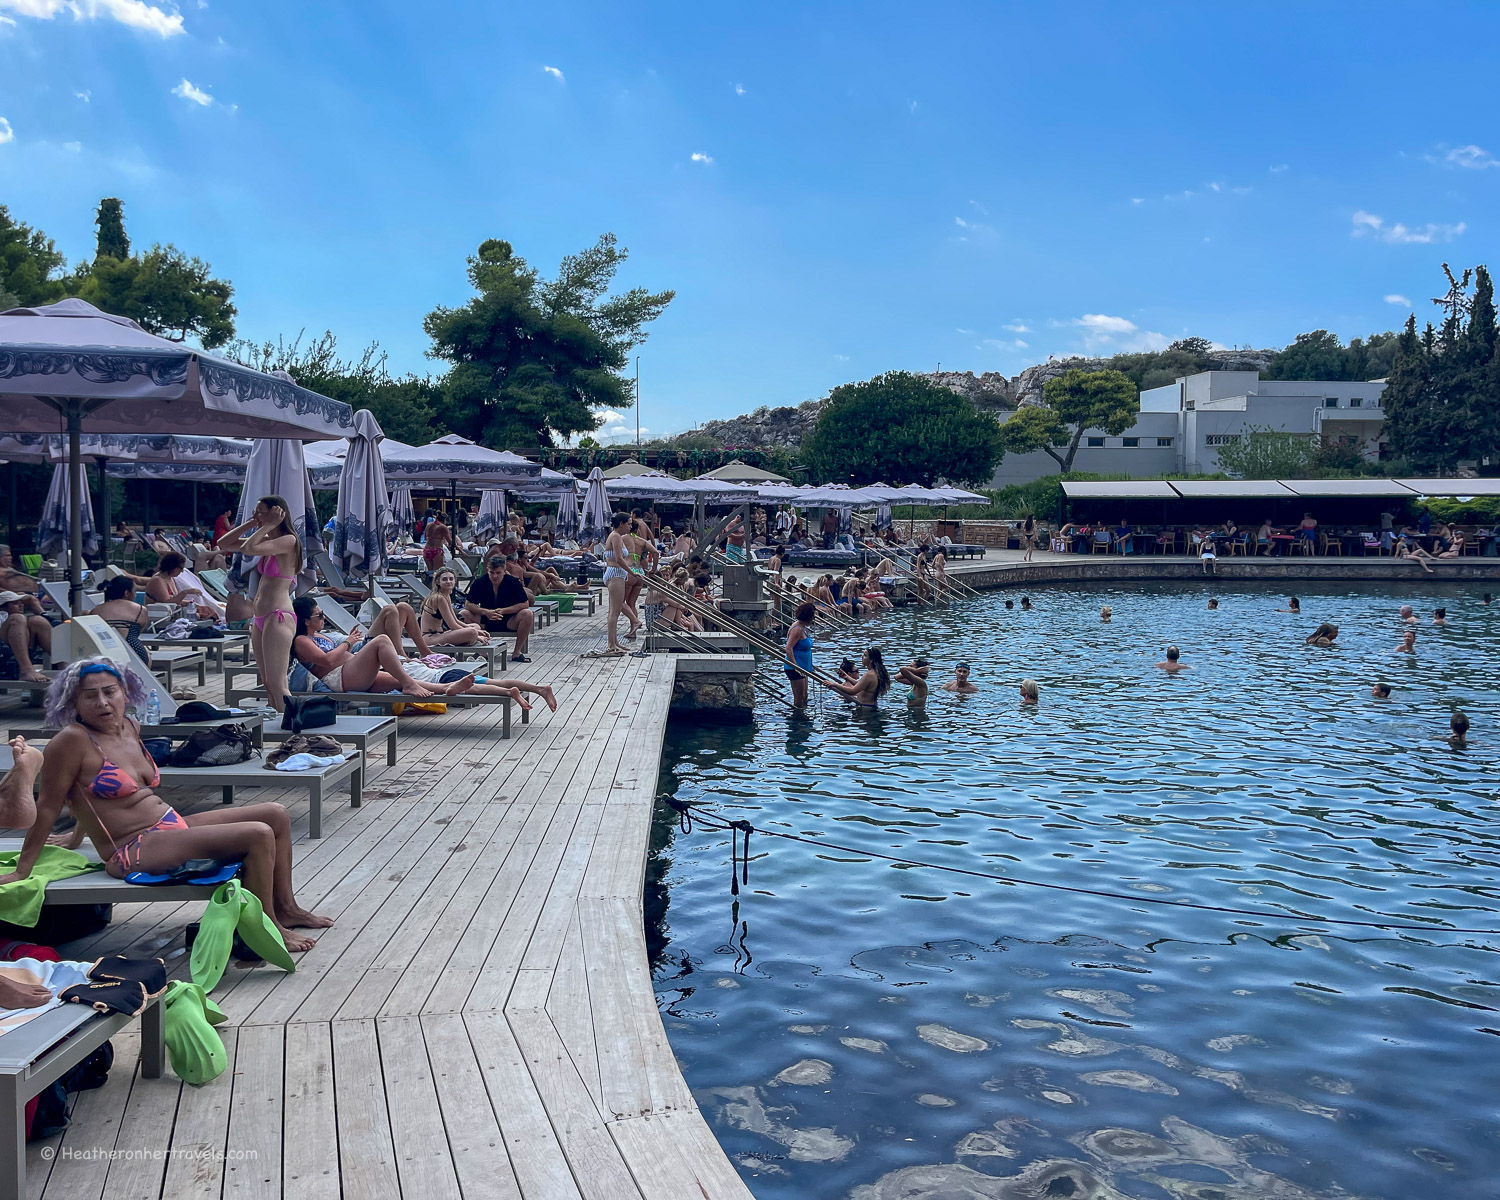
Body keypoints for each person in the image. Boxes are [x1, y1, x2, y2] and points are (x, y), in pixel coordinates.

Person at [0, 660, 330, 952]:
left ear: (125, 693)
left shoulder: (130, 726)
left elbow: (88, 797)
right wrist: (22, 870)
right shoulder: (71, 741)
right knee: (257, 834)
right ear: (74, 701)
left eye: (109, 691)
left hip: (169, 827)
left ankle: (286, 906)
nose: (102, 702)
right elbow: (49, 806)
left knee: (275, 813)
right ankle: (267, 928)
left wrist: (74, 839)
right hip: (133, 849)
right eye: (90, 695)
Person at [290, 598, 474, 698]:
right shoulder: (301, 641)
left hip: (353, 672)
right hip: (339, 678)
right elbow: (327, 660)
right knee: (382, 640)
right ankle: (410, 683)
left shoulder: (320, 635)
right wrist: (349, 642)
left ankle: (447, 688)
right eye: (319, 615)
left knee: (398, 681)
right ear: (306, 621)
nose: (323, 618)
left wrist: (348, 644)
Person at [219, 496, 303, 712]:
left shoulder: (289, 541)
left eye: (261, 511)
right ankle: (278, 731)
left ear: (277, 513)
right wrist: (252, 523)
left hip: (278, 615)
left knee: (278, 684)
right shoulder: (266, 538)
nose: (257, 514)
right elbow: (223, 544)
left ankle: (293, 730)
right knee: (267, 684)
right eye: (255, 511)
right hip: (260, 617)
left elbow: (248, 548)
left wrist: (268, 524)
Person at [464, 554, 535, 663]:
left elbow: (524, 604)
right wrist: (485, 612)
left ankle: (517, 652)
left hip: (508, 620)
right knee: (465, 613)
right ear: (488, 570)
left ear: (504, 571)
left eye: (498, 573)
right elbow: (468, 604)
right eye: (492, 573)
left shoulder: (512, 582)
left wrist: (503, 610)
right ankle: (480, 649)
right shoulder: (480, 582)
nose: (495, 576)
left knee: (528, 614)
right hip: (485, 620)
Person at [598, 513, 639, 655]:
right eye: (628, 523)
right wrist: (632, 572)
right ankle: (611, 644)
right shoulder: (615, 536)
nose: (630, 526)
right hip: (614, 574)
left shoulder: (618, 537)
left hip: (618, 574)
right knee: (614, 612)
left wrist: (626, 573)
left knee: (614, 610)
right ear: (620, 524)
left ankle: (614, 642)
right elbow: (619, 559)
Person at [418, 568, 491, 646]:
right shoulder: (439, 598)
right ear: (437, 582)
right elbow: (452, 626)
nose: (448, 581)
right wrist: (477, 636)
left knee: (475, 626)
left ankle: (469, 639)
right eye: (444, 579)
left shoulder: (446, 595)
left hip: (440, 634)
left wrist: (476, 631)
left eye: (451, 579)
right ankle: (471, 640)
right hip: (431, 637)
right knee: (472, 632)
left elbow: (455, 620)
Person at [86, 576, 151, 662]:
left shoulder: (96, 610)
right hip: (133, 650)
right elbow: (138, 631)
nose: (135, 595)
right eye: (134, 591)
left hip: (104, 652)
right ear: (127, 593)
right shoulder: (140, 610)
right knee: (147, 653)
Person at [145, 551, 215, 616]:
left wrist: (195, 605)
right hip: (158, 616)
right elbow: (168, 603)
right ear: (174, 567)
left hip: (169, 614)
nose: (181, 571)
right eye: (181, 568)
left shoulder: (169, 578)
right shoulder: (158, 580)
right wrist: (186, 592)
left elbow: (176, 600)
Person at [822, 647, 889, 707]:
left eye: (865, 655)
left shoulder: (869, 675)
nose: (862, 657)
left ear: (871, 660)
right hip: (870, 706)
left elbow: (852, 691)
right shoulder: (875, 672)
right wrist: (847, 677)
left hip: (865, 708)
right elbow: (860, 684)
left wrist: (835, 685)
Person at [783, 601, 817, 706]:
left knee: (805, 696)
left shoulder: (803, 627)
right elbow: (788, 648)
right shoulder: (797, 629)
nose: (814, 618)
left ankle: (803, 717)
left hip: (804, 667)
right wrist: (796, 667)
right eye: (813, 615)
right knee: (799, 699)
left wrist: (810, 666)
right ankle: (797, 719)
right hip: (795, 668)